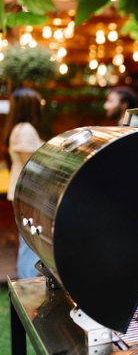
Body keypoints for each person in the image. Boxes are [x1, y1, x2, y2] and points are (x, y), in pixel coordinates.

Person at [2, 88, 44, 279]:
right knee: (30, 244)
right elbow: (33, 164)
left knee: (27, 242)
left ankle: (26, 283)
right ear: (31, 106)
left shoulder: (18, 128)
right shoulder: (26, 129)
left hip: (21, 192)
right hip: (28, 193)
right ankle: (27, 287)